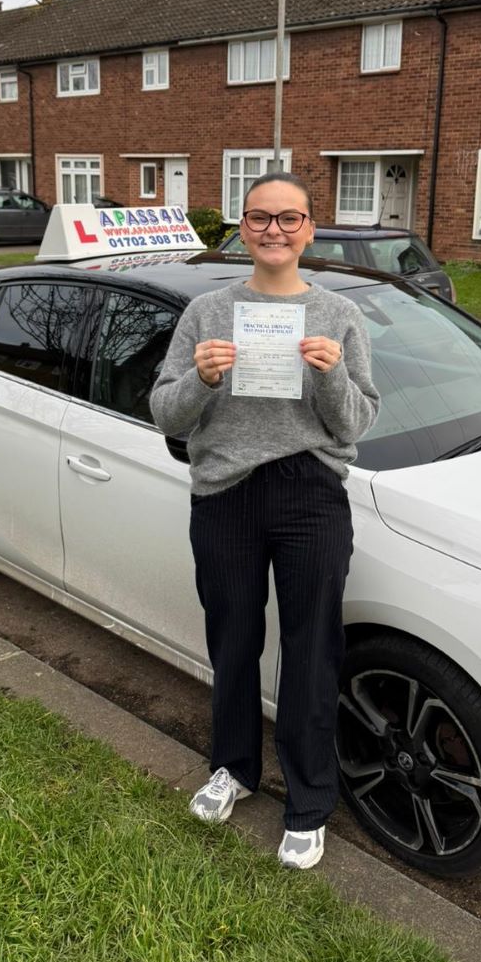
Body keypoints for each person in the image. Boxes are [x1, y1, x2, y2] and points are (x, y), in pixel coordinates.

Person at [149, 172, 379, 870]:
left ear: (310, 228)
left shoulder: (339, 315)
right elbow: (165, 410)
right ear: (242, 228)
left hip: (310, 492)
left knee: (313, 650)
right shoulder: (208, 313)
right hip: (225, 492)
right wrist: (202, 379)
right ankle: (234, 768)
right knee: (234, 639)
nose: (274, 230)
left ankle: (309, 803)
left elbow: (360, 419)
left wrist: (333, 374)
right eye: (259, 218)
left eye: (289, 218)